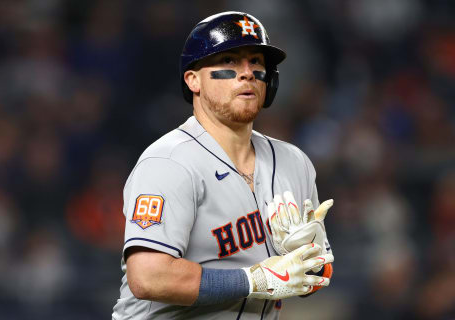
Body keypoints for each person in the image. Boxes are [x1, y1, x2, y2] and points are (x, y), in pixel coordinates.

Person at [112, 11, 334, 320]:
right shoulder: (169, 162)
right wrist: (256, 280)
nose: (246, 73)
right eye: (229, 61)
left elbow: (319, 274)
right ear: (193, 80)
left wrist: (305, 261)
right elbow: (148, 277)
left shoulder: (293, 162)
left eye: (256, 62)